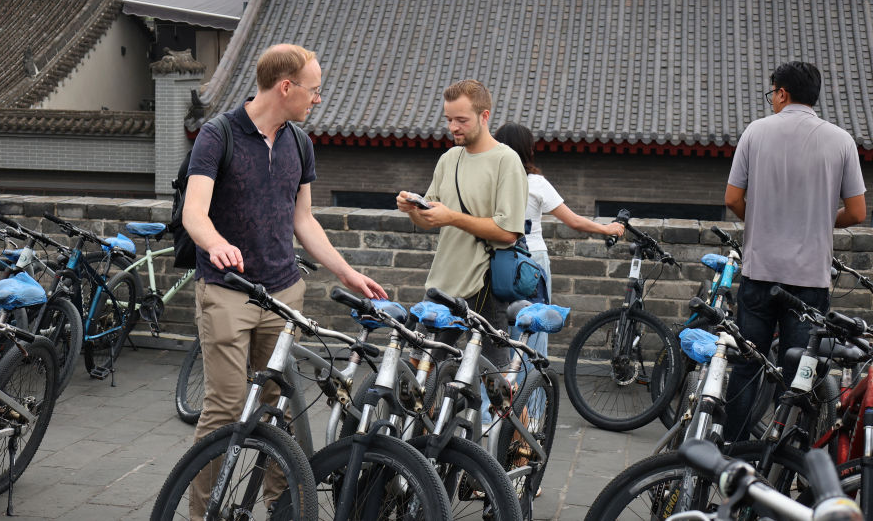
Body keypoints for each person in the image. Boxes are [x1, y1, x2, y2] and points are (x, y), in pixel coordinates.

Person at [182, 43, 387, 514]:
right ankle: (201, 511)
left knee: (280, 408)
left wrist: (347, 272)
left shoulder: (300, 143)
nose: (318, 98)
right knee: (226, 407)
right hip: (228, 291)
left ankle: (282, 507)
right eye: (313, 89)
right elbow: (194, 212)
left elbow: (304, 220)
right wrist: (216, 243)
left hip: (283, 292)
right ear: (286, 87)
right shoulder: (218, 135)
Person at [722, 61, 866, 442]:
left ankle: (732, 452)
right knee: (800, 374)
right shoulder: (841, 141)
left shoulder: (755, 132)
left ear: (782, 93)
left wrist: (762, 220)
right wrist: (819, 221)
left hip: (759, 274)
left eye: (772, 93)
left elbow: (733, 199)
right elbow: (857, 212)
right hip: (809, 282)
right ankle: (786, 457)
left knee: (746, 366)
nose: (772, 99)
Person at [396, 79, 528, 373]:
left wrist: (452, 217)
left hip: (484, 282)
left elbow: (509, 232)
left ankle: (516, 408)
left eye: (461, 120)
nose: (453, 127)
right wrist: (412, 210)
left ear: (484, 116)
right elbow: (430, 219)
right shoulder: (449, 159)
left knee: (495, 375)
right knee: (420, 365)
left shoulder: (506, 160)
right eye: (449, 119)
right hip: (443, 280)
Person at [493, 122, 624, 382]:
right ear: (528, 150)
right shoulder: (536, 183)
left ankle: (498, 394)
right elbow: (573, 221)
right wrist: (606, 228)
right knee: (533, 331)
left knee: (498, 331)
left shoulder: (491, 183)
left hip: (499, 262)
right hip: (532, 263)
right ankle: (530, 398)